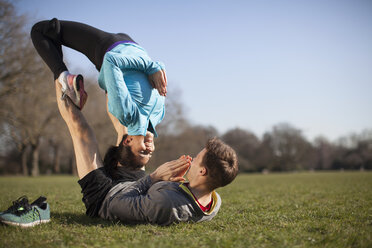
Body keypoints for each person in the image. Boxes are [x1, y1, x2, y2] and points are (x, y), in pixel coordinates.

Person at [54, 81, 239, 225]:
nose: (192, 159)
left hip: (105, 197)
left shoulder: (165, 203)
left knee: (81, 132)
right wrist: (173, 179)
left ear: (203, 171)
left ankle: (59, 74)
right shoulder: (214, 202)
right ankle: (109, 79)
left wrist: (156, 176)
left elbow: (116, 203)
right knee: (128, 132)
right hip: (134, 184)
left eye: (197, 159)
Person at [30, 18, 167, 167]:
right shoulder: (157, 116)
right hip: (133, 44)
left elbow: (111, 61)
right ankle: (64, 77)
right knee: (52, 38)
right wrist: (156, 66)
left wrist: (151, 66)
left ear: (128, 141)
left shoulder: (127, 113)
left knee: (41, 30)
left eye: (143, 152)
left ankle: (64, 77)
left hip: (110, 46)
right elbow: (160, 71)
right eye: (149, 153)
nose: (149, 148)